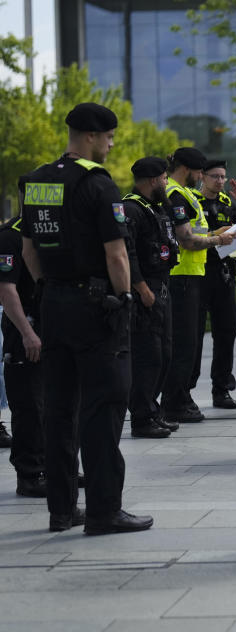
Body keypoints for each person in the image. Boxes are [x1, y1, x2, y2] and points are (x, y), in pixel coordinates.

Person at [18, 102, 153, 534]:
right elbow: (116, 253)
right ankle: (103, 511)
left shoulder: (37, 181)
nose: (112, 145)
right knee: (103, 409)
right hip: (97, 310)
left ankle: (61, 511)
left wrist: (48, 288)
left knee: (58, 409)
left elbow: (28, 251)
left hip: (53, 306)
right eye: (109, 137)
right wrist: (125, 296)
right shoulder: (98, 184)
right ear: (92, 136)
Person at [159, 148, 236, 424]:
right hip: (183, 276)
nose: (201, 177)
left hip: (192, 274)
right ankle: (175, 401)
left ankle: (180, 398)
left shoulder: (183, 193)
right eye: (199, 172)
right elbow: (187, 240)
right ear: (189, 170)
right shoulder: (176, 194)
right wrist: (218, 241)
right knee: (183, 344)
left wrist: (219, 234)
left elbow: (196, 232)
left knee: (189, 342)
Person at [190, 160, 236, 410]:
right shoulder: (191, 201)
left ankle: (222, 389)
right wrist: (216, 236)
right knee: (193, 335)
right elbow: (185, 235)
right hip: (197, 273)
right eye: (215, 176)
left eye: (223, 177)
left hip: (223, 275)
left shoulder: (228, 204)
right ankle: (185, 389)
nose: (219, 181)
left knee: (227, 331)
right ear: (202, 176)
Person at [124, 157, 181, 438]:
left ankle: (152, 410)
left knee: (164, 354)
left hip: (162, 285)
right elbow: (127, 252)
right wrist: (140, 287)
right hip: (145, 290)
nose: (166, 182)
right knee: (148, 357)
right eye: (163, 178)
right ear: (150, 180)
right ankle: (141, 418)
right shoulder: (131, 209)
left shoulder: (157, 208)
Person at [0, 215, 45, 496]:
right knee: (29, 405)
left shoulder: (49, 229)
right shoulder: (10, 236)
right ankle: (29, 475)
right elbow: (6, 291)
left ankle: (53, 466)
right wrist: (27, 333)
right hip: (24, 330)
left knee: (53, 404)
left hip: (50, 326)